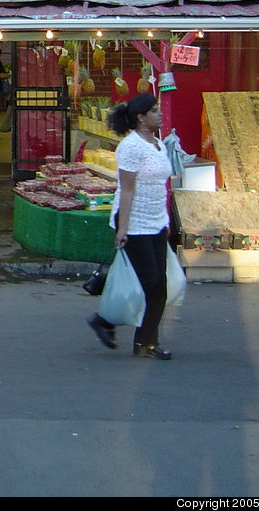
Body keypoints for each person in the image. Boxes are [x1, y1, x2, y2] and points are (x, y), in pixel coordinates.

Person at [87, 94, 174, 360]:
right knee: (152, 283)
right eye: (154, 111)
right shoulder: (131, 147)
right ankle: (131, 334)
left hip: (156, 221)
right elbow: (127, 189)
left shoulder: (158, 144)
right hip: (135, 223)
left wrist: (166, 222)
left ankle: (137, 337)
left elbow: (160, 186)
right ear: (141, 118)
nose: (159, 115)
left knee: (159, 285)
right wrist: (122, 228)